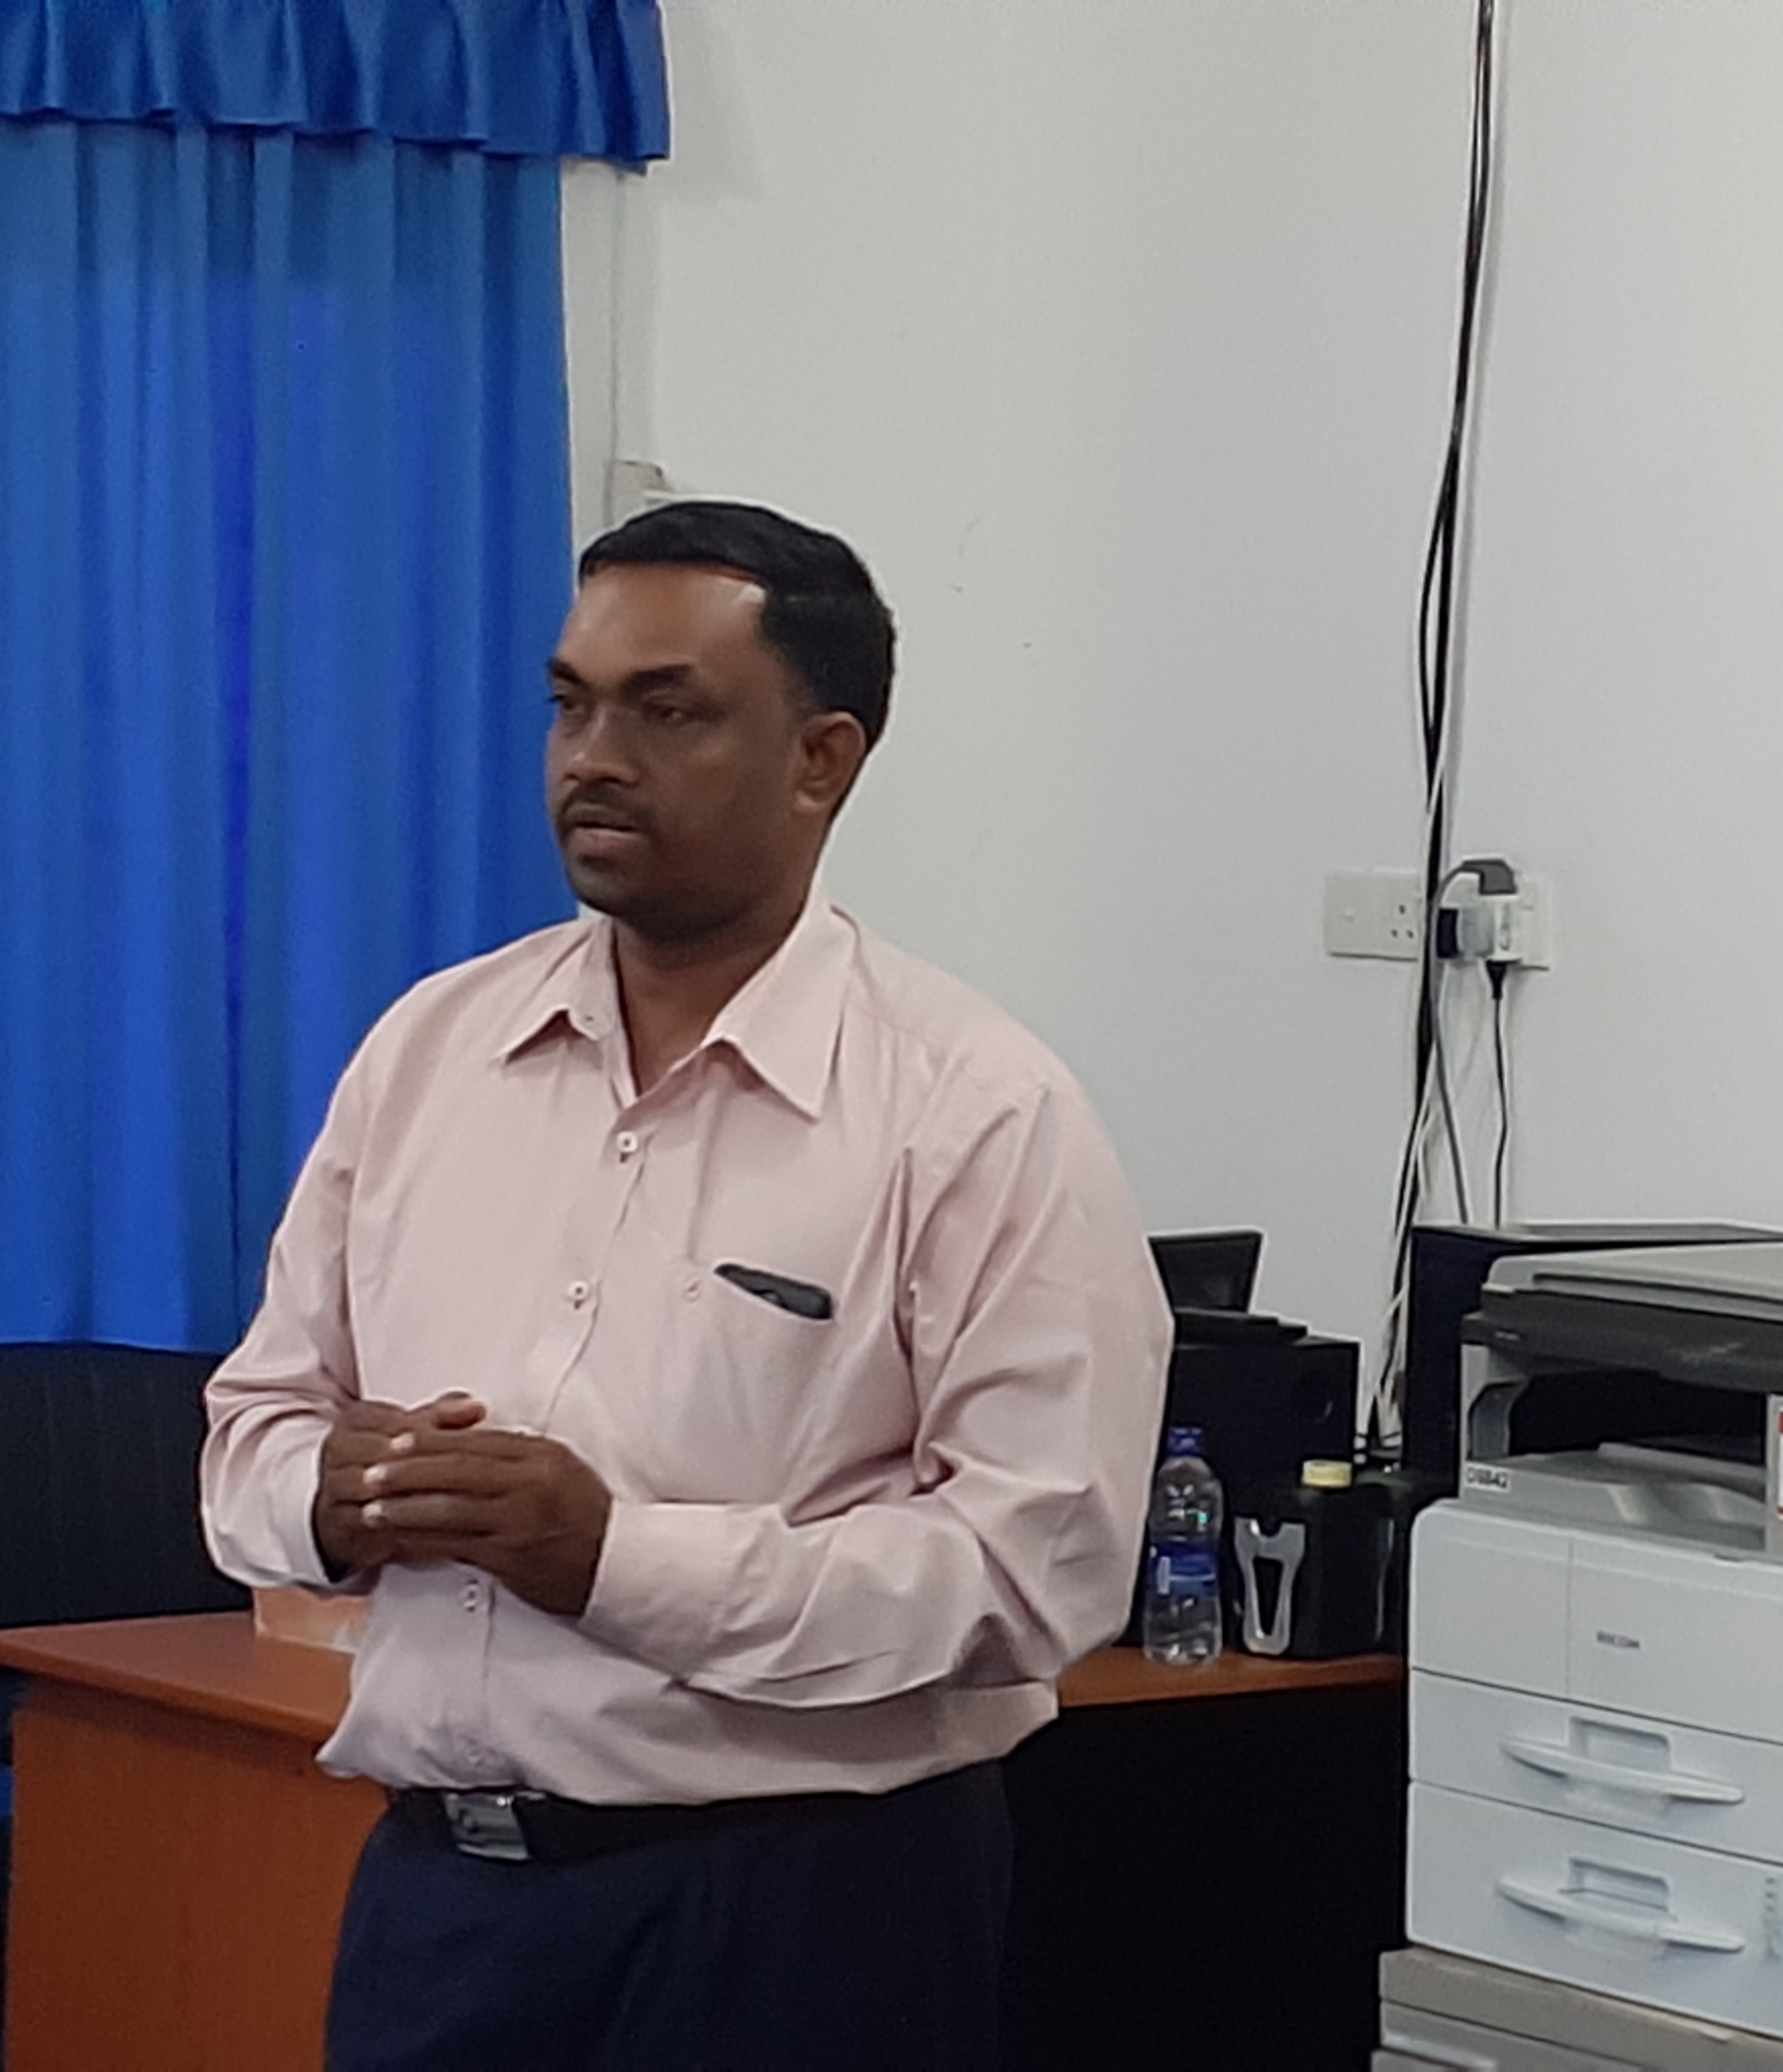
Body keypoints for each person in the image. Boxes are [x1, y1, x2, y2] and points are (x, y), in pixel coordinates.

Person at [199, 501, 1171, 2069]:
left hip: (799, 1911)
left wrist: (612, 1558)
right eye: (570, 704)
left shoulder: (975, 1109)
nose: (592, 759)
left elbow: (1033, 1572)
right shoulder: (430, 1052)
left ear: (822, 760)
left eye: (667, 711)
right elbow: (252, 1431)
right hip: (447, 1904)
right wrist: (331, 1496)